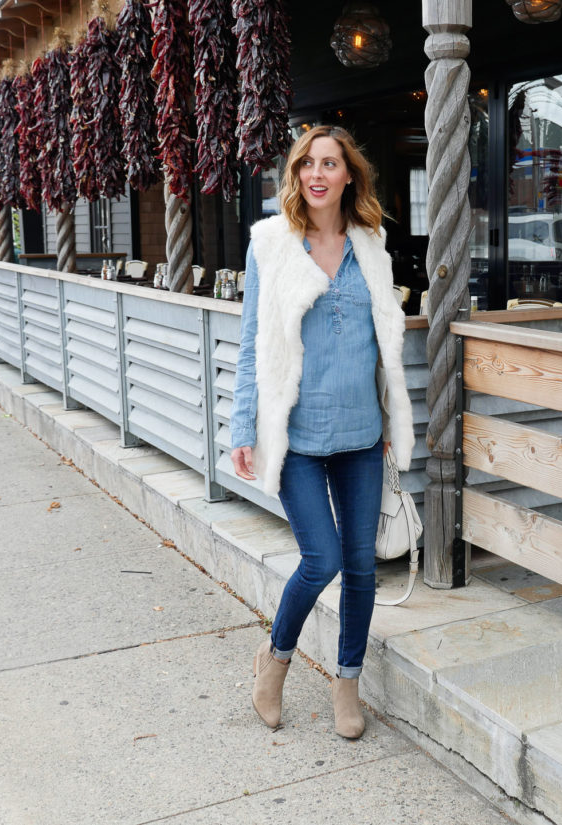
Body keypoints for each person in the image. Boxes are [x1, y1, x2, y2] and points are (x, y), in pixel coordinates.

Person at [229, 125, 413, 738]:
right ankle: (274, 662)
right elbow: (255, 341)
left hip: (362, 434)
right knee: (323, 559)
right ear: (296, 174)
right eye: (306, 163)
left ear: (348, 175)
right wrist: (243, 426)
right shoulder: (271, 244)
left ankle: (347, 683)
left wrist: (390, 416)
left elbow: (382, 339)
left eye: (329, 163)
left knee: (362, 568)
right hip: (298, 436)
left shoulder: (372, 242)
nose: (316, 173)